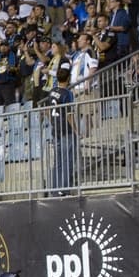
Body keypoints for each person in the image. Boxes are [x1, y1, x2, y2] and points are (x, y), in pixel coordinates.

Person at [48, 68, 77, 196]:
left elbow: (48, 111)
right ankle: (64, 189)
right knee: (67, 160)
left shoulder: (52, 92)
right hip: (66, 130)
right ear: (68, 79)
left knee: (57, 161)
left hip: (56, 130)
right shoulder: (68, 94)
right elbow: (69, 115)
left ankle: (55, 189)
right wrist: (76, 130)